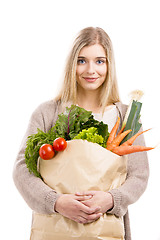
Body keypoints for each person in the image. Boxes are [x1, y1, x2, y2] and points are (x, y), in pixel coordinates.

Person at [13, 27, 149, 240]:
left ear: (109, 65)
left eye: (100, 61)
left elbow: (139, 175)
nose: (91, 70)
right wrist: (55, 202)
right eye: (82, 60)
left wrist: (112, 199)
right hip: (55, 227)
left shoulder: (127, 116)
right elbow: (22, 169)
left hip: (106, 227)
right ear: (71, 65)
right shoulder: (47, 113)